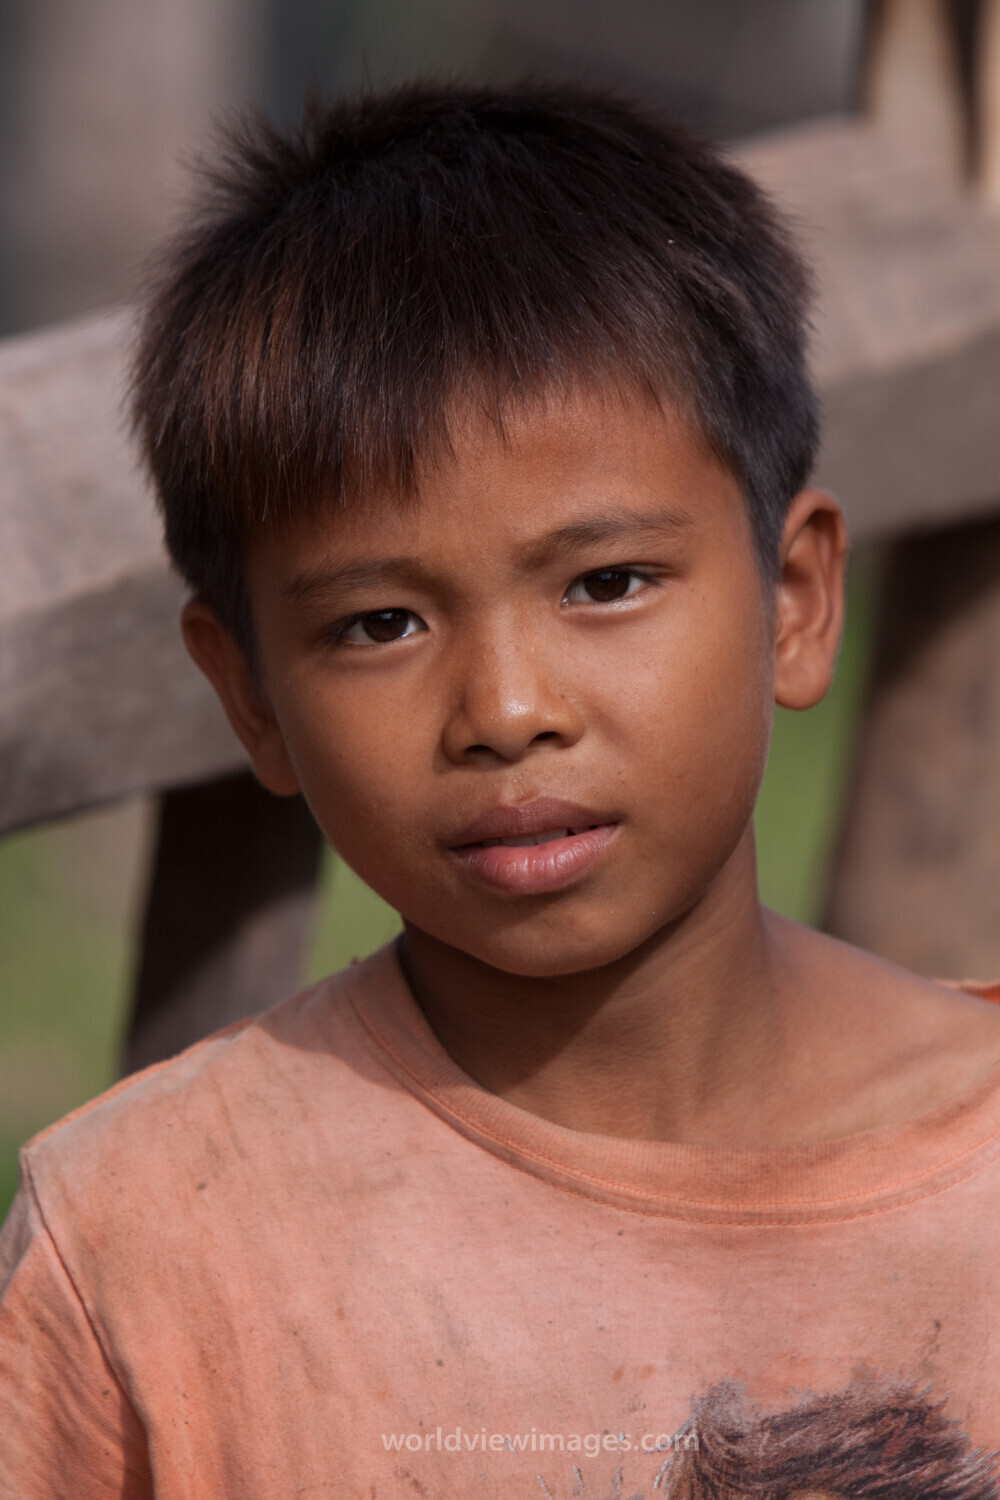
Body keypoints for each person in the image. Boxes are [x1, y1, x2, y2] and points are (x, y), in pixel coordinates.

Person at [2, 80, 999, 1500]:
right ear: (250, 699)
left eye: (607, 584)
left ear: (792, 600)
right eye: (379, 626)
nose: (508, 713)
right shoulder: (148, 1242)